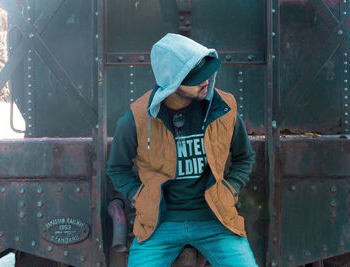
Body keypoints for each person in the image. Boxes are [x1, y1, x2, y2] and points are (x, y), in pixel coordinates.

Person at [107, 33, 257, 267]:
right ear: (172, 82)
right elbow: (117, 168)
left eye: (206, 73)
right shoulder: (136, 117)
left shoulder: (224, 108)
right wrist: (140, 197)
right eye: (195, 78)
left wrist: (229, 190)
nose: (205, 81)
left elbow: (245, 157)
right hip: (159, 225)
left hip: (215, 220)